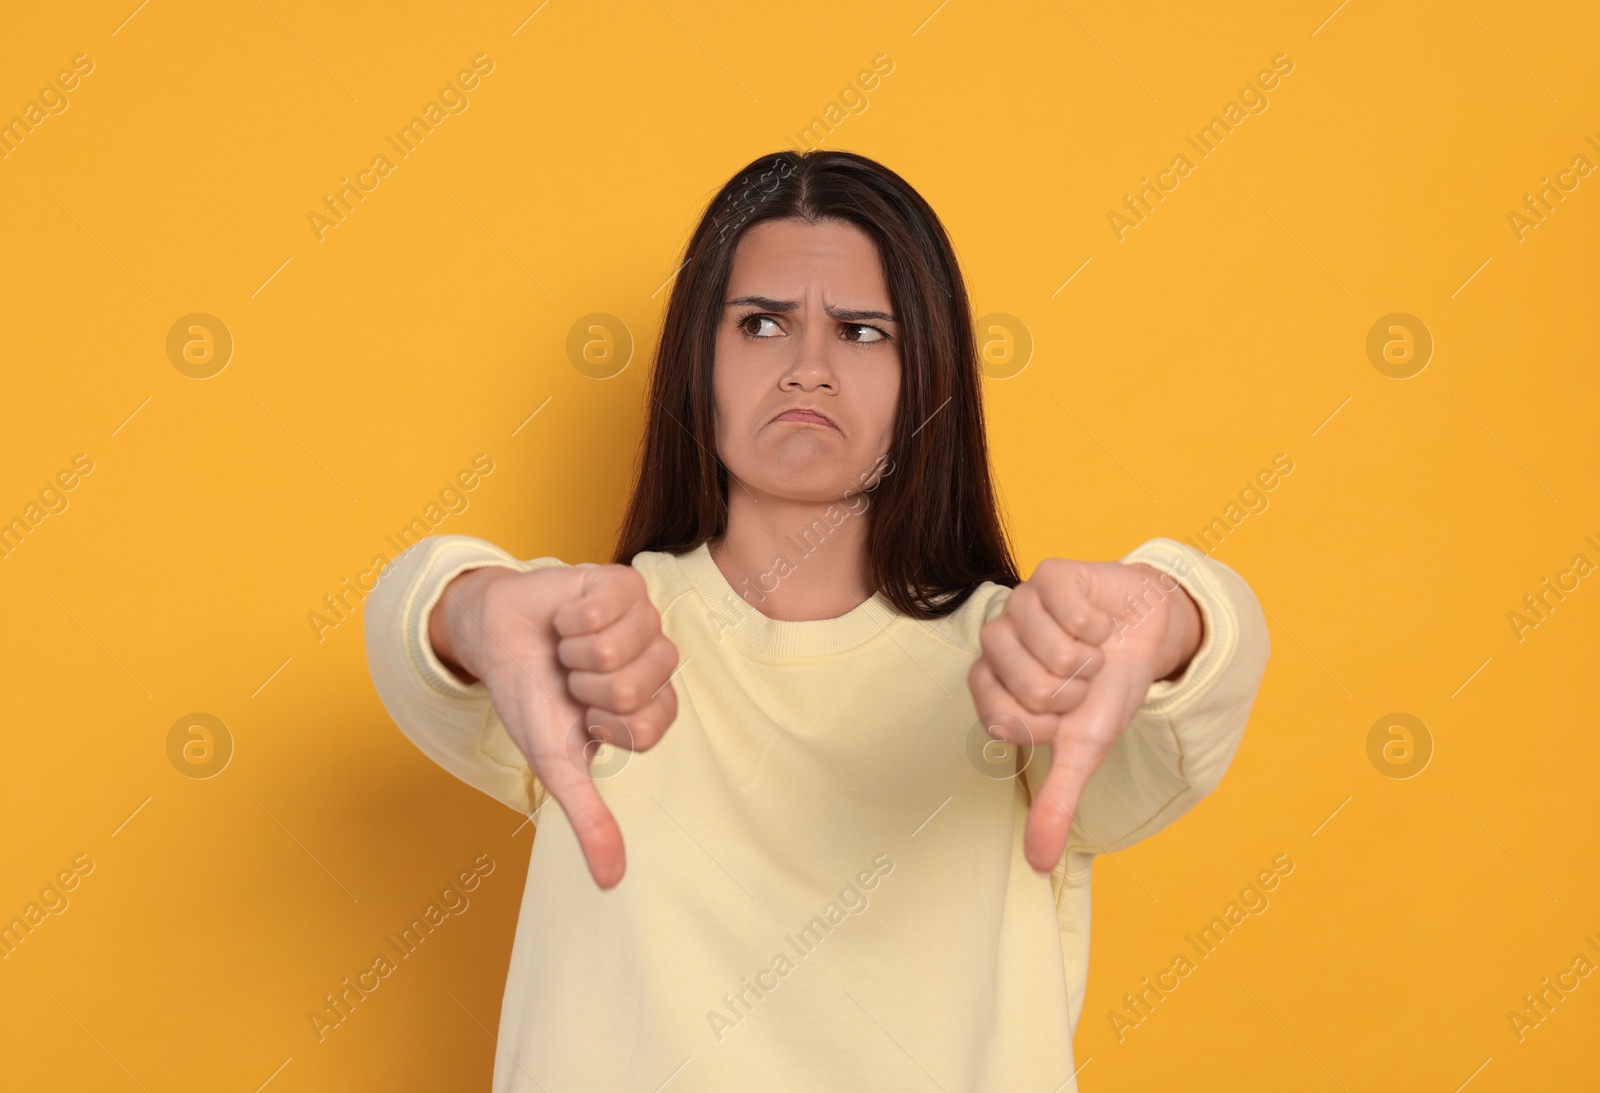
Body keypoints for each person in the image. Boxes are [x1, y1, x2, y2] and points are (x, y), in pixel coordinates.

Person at [363, 149, 1270, 1092]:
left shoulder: (1026, 665)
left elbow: (1198, 686)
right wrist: (462, 608)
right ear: (697, 364)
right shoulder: (598, 644)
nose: (808, 370)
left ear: (929, 375)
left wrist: (1170, 616)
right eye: (761, 324)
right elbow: (425, 628)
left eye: (863, 332)